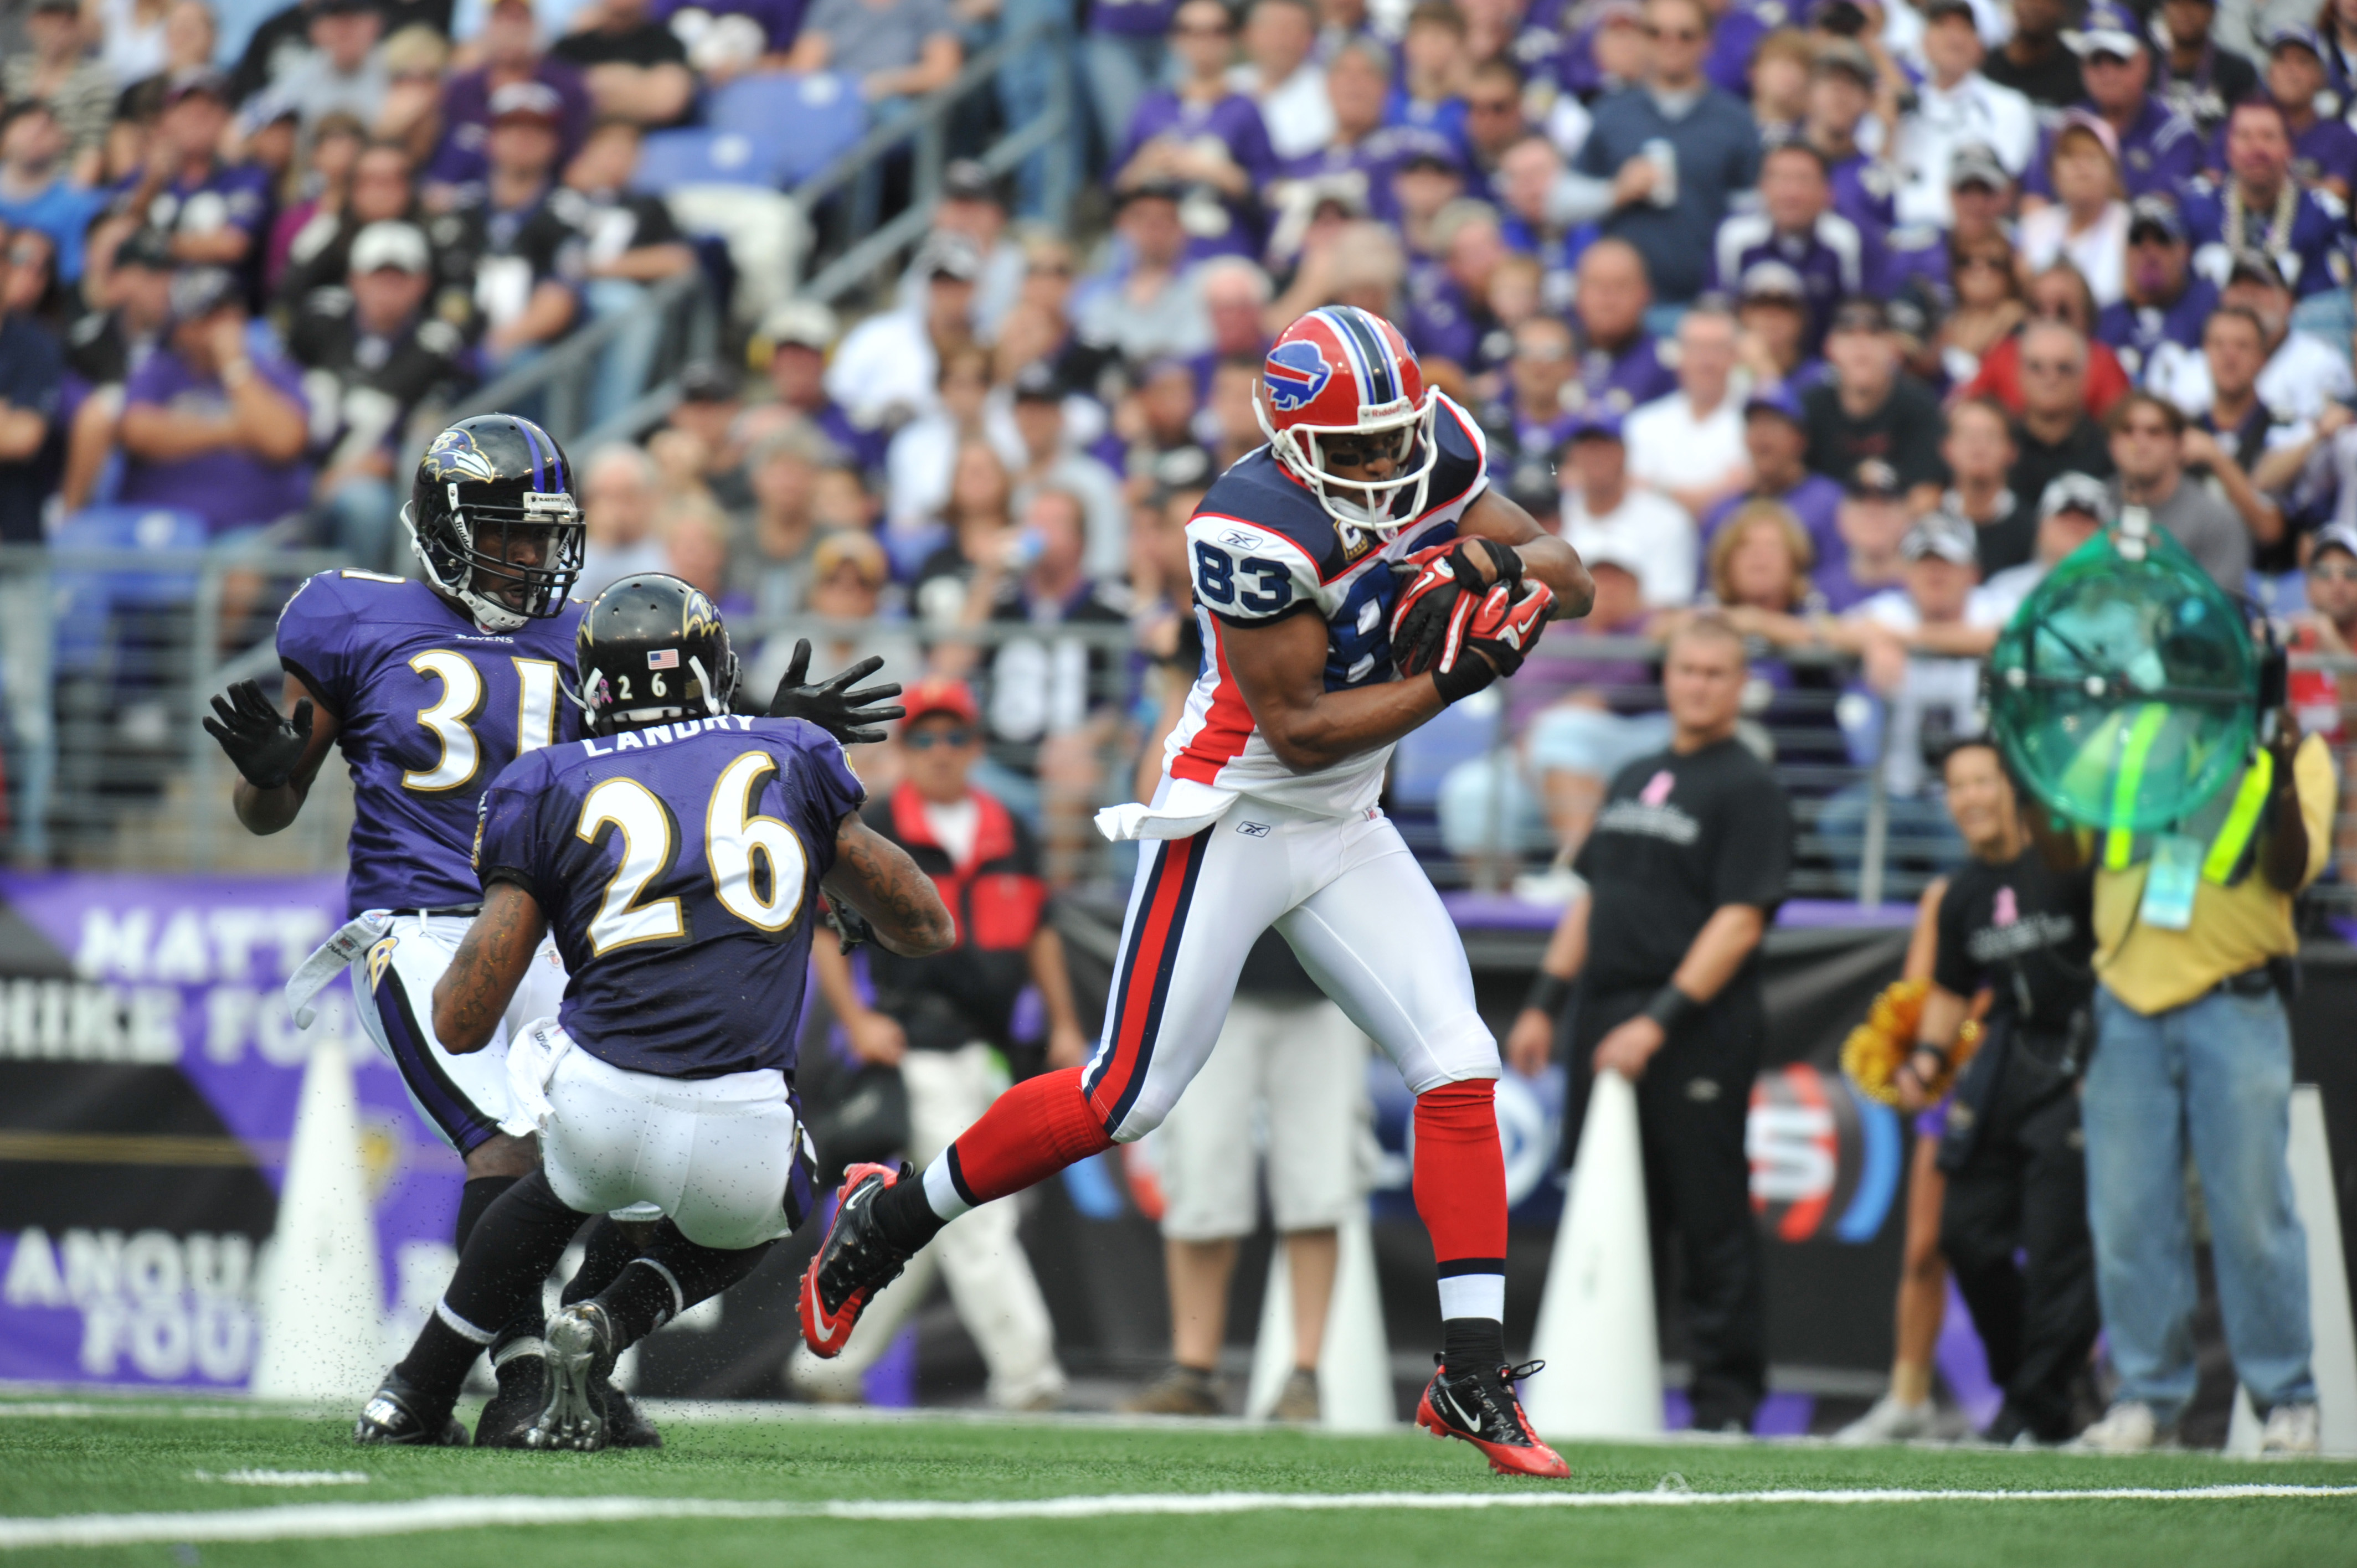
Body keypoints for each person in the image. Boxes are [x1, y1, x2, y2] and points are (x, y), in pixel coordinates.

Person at [796, 306, 1595, 1479]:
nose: (1387, 464)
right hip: (1236, 808)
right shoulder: (1249, 524)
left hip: (1348, 824)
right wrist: (1456, 674)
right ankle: (885, 1222)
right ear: (1293, 438)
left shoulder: (1434, 449)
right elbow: (1303, 729)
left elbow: (1569, 579)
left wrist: (1481, 562)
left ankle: (1470, 1374)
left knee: (1457, 1060)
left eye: (1396, 439)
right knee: (1128, 1092)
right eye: (1359, 447)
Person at [353, 574, 944, 1448]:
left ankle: (414, 1388)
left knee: (548, 1175)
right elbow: (927, 926)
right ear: (712, 668)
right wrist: (812, 859)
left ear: (592, 685)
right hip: (744, 1131)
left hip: (602, 1114)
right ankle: (609, 1324)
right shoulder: (791, 754)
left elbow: (462, 1023)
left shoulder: (546, 779)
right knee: (785, 1192)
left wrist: (555, 893)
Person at [2034, 676, 2334, 1457]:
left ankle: (2287, 1402)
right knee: (2128, 1215)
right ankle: (2145, 1401)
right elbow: (2062, 847)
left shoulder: (2299, 749)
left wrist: (2274, 761)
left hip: (2234, 1001)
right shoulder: (2126, 736)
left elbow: (2291, 870)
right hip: (2125, 1002)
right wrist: (2026, 756)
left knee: (2251, 1214)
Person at [1505, 616, 1791, 1435]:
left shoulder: (1750, 788)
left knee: (1708, 1222)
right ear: (1666, 678)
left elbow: (1739, 923)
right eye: (1687, 670)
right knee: (1610, 1212)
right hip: (1604, 1013)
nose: (1698, 684)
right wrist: (1544, 1003)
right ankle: (1603, 1391)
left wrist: (1658, 1023)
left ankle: (1725, 1409)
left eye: (1715, 673)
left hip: (1696, 1027)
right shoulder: (1632, 774)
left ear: (1739, 686)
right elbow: (1593, 899)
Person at [793, 677, 1083, 1412]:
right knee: (977, 1212)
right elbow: (823, 930)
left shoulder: (1006, 825)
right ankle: (1031, 1378)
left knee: (940, 1215)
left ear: (976, 747)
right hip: (917, 1042)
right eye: (924, 737)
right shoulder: (878, 821)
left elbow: (1042, 927)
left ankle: (828, 1367)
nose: (940, 752)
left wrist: (1063, 1022)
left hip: (991, 1050)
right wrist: (858, 1022)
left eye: (954, 737)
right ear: (907, 747)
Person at [1890, 739, 2100, 1446]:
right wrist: (1923, 1058)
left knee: (2056, 1248)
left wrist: (2100, 1060)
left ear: (2015, 788)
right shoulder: (1960, 895)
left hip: (2074, 1060)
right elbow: (1950, 991)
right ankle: (2029, 1383)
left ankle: (2038, 1410)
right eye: (1957, 787)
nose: (1970, 798)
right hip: (2002, 1062)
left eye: (1983, 781)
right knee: (1966, 1236)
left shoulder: (2067, 865)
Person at [1561, 0, 1763, 309]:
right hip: (1626, 310)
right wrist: (1615, 192)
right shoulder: (1612, 111)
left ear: (1707, 43)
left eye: (1685, 35)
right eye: (1657, 34)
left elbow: (1752, 218)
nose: (1671, 45)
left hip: (1706, 308)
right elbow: (1559, 203)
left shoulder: (1736, 121)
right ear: (1643, 39)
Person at [286, 218, 464, 567]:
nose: (387, 290)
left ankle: (356, 608)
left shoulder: (435, 351)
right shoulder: (318, 325)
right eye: (377, 277)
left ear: (421, 284)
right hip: (296, 462)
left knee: (366, 505)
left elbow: (425, 439)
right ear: (355, 279)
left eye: (399, 279)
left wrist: (342, 476)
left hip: (367, 478)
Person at [116, 266, 313, 540]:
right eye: (207, 318)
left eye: (229, 314)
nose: (221, 328)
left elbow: (284, 442)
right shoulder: (158, 372)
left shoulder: (274, 373)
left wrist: (235, 368)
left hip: (252, 530)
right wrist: (232, 429)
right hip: (163, 528)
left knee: (242, 565)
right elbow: (136, 432)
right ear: (181, 329)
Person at [1116, 0, 1278, 265]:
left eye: (1216, 31)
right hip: (1155, 255)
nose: (1203, 41)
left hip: (1223, 250)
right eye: (1189, 30)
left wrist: (1214, 171)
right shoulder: (1152, 106)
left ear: (1232, 39)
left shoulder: (1246, 109)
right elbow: (1115, 188)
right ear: (1174, 39)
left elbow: (1270, 192)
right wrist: (1143, 167)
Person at [0, 233, 61, 862]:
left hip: (17, 552)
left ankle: (33, 846)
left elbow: (23, 437)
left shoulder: (32, 345)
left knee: (27, 711)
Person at [1708, 140, 1879, 354]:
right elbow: (1715, 312)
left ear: (1827, 192)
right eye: (1780, 179)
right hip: (1745, 365)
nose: (1791, 193)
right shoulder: (1734, 235)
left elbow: (1862, 318)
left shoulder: (1847, 240)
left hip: (1826, 368)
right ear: (1761, 187)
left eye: (1803, 180)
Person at [2025, 4, 2202, 208]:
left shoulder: (2173, 134)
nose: (2106, 72)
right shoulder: (2061, 126)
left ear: (2144, 63)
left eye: (2118, 59)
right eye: (2096, 59)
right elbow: (2034, 204)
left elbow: (2157, 214)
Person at [1891, 0, 2037, 228]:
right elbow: (1878, 181)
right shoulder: (1899, 105)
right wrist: (1889, 127)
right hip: (1902, 235)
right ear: (1924, 42)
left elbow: (2003, 191)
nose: (1954, 38)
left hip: (1970, 236)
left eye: (1964, 28)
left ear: (1981, 46)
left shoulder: (2010, 106)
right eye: (1942, 26)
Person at [2180, 99, 2344, 298]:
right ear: (2228, 149)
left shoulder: (2324, 214)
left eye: (2269, 136)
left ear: (2289, 148)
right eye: (2245, 136)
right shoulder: (2195, 208)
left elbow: (2333, 299)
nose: (2257, 148)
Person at [1803, 297, 1946, 510]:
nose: (1861, 346)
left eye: (1873, 334)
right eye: (1849, 334)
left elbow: (1928, 493)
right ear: (1830, 347)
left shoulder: (1919, 407)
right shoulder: (1810, 407)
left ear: (1894, 347)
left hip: (1898, 529)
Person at [2106, 390, 2251, 591]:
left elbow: (2221, 608)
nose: (2139, 442)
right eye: (2128, 430)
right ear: (2111, 443)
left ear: (2179, 444)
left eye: (2154, 431)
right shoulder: (2090, 510)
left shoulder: (2216, 520)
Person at [1557, 408, 1696, 608]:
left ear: (1624, 452)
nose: (1595, 456)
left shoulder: (1666, 520)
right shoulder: (1556, 514)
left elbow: (1669, 604)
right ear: (1573, 455)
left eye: (1604, 446)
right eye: (1587, 446)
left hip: (1637, 635)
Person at [1624, 305, 1750, 522]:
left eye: (1717, 348)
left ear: (1735, 355)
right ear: (1680, 353)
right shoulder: (1644, 423)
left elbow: (1744, 494)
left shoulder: (1755, 418)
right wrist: (1717, 492)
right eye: (1697, 348)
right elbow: (1634, 497)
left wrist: (1659, 489)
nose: (1706, 361)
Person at [1701, 382, 1843, 565]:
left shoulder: (1831, 505)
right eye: (1754, 424)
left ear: (1800, 440)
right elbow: (1707, 588)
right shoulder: (1722, 512)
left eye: (1773, 423)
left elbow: (1839, 580)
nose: (1762, 434)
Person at [2093, 195, 2216, 389]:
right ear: (2125, 252)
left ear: (2184, 251)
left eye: (2162, 239)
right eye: (2137, 240)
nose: (2149, 252)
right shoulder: (2104, 321)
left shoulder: (2208, 310)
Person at [2006, 321, 2116, 516]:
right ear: (2020, 374)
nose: (2050, 379)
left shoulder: (2110, 451)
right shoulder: (2001, 449)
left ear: (2085, 376)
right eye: (2036, 367)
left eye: (2063, 368)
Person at [1941, 395, 2032, 574]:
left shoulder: (2032, 529)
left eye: (1990, 437)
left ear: (2012, 451)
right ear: (1947, 449)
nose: (1979, 446)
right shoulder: (1929, 523)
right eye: (1968, 436)